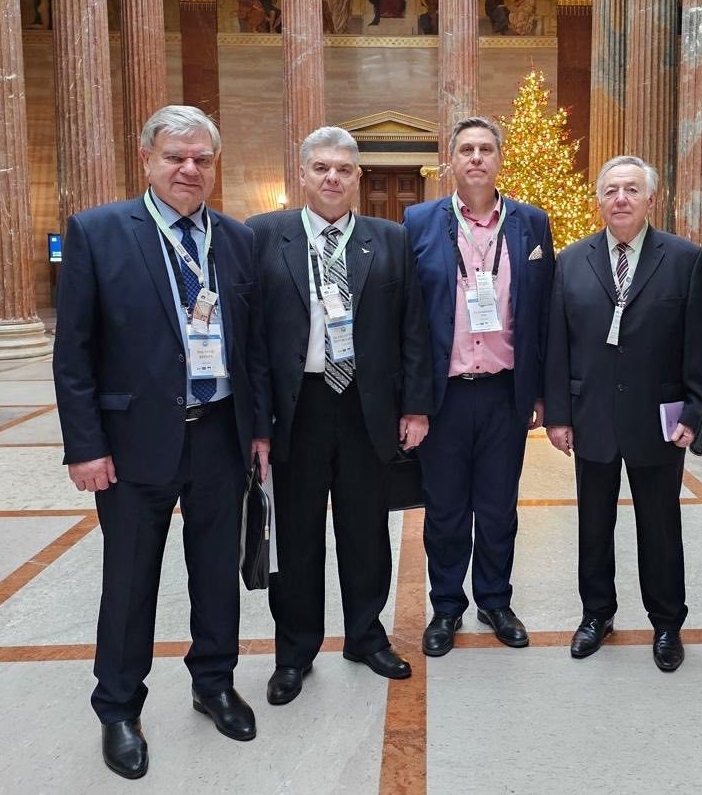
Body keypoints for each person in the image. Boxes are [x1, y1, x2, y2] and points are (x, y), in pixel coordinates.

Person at [52, 105, 271, 780]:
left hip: (220, 435)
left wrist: (259, 431)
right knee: (129, 580)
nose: (189, 169)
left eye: (202, 159)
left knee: (216, 573)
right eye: (176, 156)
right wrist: (85, 447)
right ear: (147, 159)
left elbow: (253, 347)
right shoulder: (98, 232)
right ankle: (119, 708)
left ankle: (214, 683)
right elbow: (74, 352)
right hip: (131, 443)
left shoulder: (236, 239)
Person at [247, 126, 432, 705]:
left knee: (366, 531)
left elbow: (413, 328)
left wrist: (416, 406)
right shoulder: (262, 235)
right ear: (303, 173)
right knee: (296, 535)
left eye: (344, 169)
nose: (332, 178)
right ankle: (294, 652)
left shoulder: (390, 239)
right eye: (322, 167)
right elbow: (250, 339)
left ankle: (365, 636)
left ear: (357, 177)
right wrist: (256, 423)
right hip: (295, 409)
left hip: (364, 408)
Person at [544, 155, 702, 669]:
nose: (621, 198)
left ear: (650, 199)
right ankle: (596, 614)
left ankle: (667, 623)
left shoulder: (684, 259)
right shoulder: (571, 260)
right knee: (593, 524)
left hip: (658, 418)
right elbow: (557, 344)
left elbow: (698, 345)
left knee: (660, 527)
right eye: (612, 190)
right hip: (591, 413)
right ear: (599, 200)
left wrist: (695, 412)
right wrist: (558, 415)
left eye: (632, 190)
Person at [403, 117, 555, 656]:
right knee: (445, 510)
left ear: (499, 159)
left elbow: (544, 314)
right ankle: (446, 607)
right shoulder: (419, 221)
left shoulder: (532, 223)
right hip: (443, 397)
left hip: (503, 392)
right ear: (451, 160)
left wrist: (541, 393)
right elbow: (408, 318)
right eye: (466, 149)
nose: (475, 157)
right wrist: (412, 403)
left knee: (497, 508)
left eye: (485, 149)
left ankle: (495, 600)